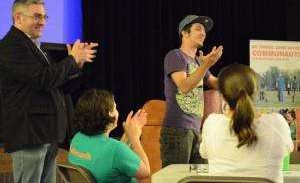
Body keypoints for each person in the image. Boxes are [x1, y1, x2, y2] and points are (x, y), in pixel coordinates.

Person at [0, 0, 98, 183]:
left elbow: (59, 86)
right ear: (18, 17)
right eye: (36, 16)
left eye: (45, 17)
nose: (42, 22)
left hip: (46, 133)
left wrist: (76, 65)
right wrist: (70, 61)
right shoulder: (11, 46)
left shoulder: (37, 47)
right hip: (30, 134)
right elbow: (41, 80)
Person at [200, 64, 293, 183]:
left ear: (222, 95)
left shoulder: (212, 124)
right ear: (256, 92)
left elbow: (204, 153)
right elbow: (288, 149)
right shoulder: (277, 123)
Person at [160, 15, 223, 167]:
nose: (203, 33)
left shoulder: (196, 61)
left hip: (196, 130)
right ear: (184, 33)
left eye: (204, 31)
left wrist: (239, 80)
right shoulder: (175, 55)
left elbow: (215, 83)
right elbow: (184, 87)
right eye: (198, 29)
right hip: (177, 130)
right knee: (175, 178)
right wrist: (205, 66)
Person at [68, 89, 150, 183]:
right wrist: (135, 138)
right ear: (110, 113)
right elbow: (145, 172)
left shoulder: (77, 138)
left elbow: (113, 158)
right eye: (115, 108)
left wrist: (128, 134)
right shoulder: (115, 150)